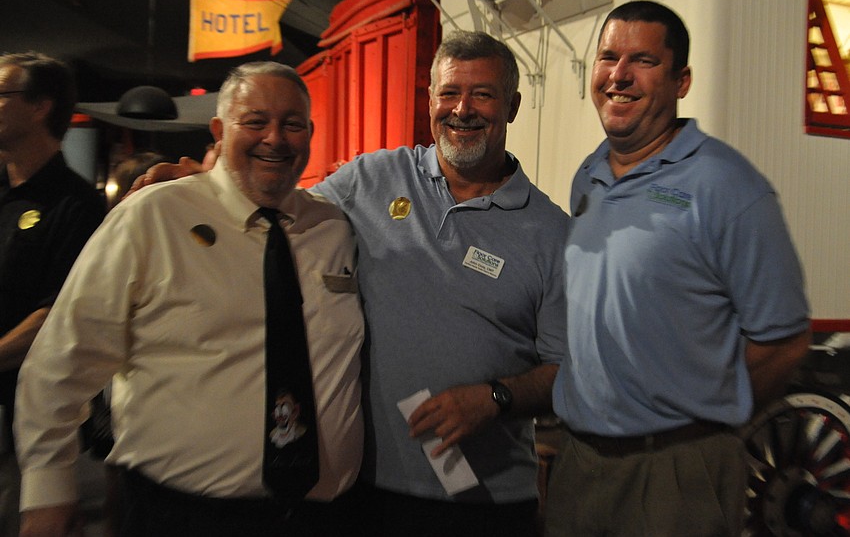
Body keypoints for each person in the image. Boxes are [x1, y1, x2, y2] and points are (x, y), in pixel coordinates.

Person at [131, 31, 570, 537]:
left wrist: (495, 398)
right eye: (449, 93)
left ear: (512, 106)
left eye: (483, 94)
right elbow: (274, 208)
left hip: (482, 503)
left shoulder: (552, 232)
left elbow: (571, 373)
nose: (462, 109)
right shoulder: (372, 178)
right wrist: (203, 185)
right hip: (359, 491)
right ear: (430, 102)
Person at [14, 61, 364, 537]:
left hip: (321, 518)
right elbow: (61, 364)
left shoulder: (334, 228)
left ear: (310, 133)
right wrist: (48, 492)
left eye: (292, 124)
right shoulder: (154, 215)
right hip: (180, 518)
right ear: (219, 131)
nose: (275, 138)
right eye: (256, 121)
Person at [545, 0, 812, 537]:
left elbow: (783, 343)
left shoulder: (728, 186)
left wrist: (697, 426)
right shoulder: (588, 177)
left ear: (681, 80)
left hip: (672, 475)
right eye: (607, 57)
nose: (618, 75)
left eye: (641, 60)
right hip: (580, 465)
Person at [0, 51, 106, 537]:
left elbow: (57, 313)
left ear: (40, 106)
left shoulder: (77, 204)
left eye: (1, 93)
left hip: (31, 429)